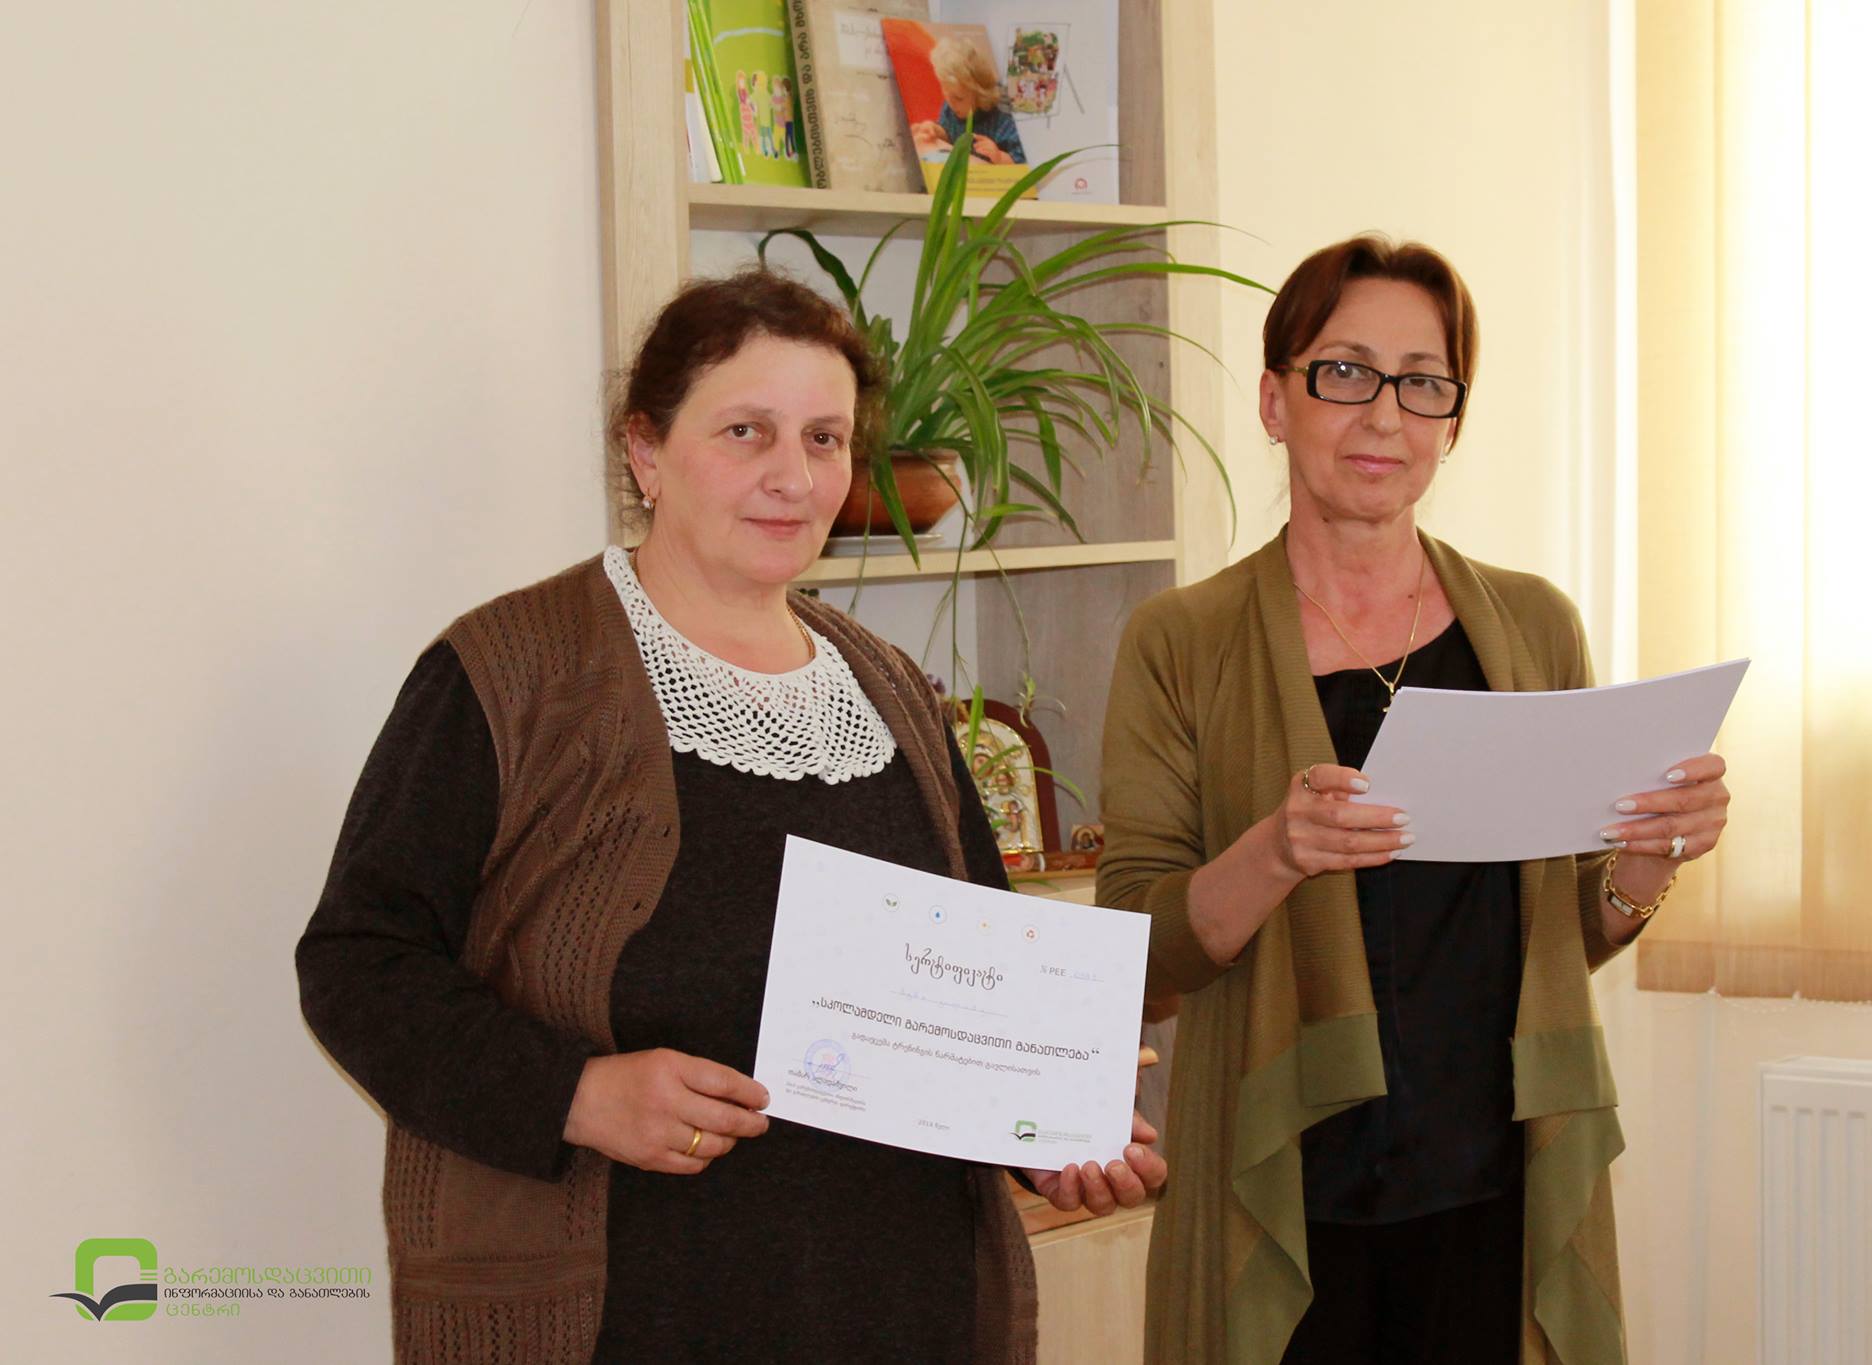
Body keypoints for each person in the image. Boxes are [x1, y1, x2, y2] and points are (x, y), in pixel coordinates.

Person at [296, 268, 1164, 1363]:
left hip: (904, 1309)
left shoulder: (891, 691)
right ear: (645, 452)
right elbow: (358, 964)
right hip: (628, 1321)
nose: (791, 477)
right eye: (745, 431)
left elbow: (975, 982)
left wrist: (1041, 1125)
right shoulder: (510, 673)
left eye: (823, 439)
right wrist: (575, 1094)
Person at [1096, 235, 1732, 1364]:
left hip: (1495, 1175)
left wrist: (1646, 860)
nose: (1383, 415)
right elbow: (1138, 953)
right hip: (1281, 1180)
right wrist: (1277, 850)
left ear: (1452, 420)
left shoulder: (1531, 624)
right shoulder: (1180, 640)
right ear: (1274, 400)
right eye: (1344, 372)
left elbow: (1561, 929)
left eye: (1422, 382)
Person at [910, 35, 1028, 167]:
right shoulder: (952, 106)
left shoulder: (1003, 118)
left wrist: (1000, 157)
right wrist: (936, 131)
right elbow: (949, 133)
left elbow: (1024, 161)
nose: (951, 103)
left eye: (958, 98)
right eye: (946, 94)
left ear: (980, 95)